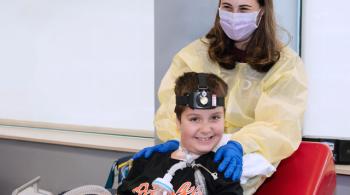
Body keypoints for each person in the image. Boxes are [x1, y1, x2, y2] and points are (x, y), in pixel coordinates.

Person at [134, 0, 307, 194]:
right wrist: (177, 140)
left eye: (243, 9)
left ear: (262, 12)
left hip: (243, 158)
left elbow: (279, 124)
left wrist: (239, 145)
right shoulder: (195, 56)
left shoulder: (284, 65)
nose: (234, 15)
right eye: (227, 7)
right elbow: (171, 107)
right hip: (191, 150)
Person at [118, 72, 243, 195]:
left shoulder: (224, 170)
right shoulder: (147, 161)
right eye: (194, 119)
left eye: (215, 117)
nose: (205, 129)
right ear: (178, 121)